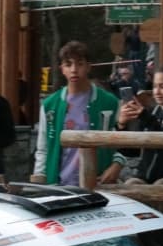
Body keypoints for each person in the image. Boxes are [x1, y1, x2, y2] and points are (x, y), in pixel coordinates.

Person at [33, 40, 124, 186]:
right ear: (62, 69)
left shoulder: (109, 102)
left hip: (98, 183)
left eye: (80, 64)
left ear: (88, 67)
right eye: (68, 64)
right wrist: (40, 178)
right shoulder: (50, 105)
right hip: (60, 184)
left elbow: (122, 142)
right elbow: (43, 147)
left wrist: (118, 163)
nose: (74, 69)